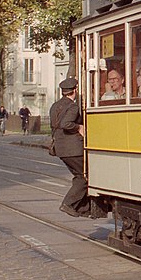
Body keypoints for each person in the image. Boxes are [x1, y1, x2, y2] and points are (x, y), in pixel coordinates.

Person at [49, 77, 90, 217]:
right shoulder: (73, 106)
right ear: (75, 91)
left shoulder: (55, 105)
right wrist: (78, 126)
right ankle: (69, 204)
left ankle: (83, 208)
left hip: (60, 148)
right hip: (73, 148)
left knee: (78, 176)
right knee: (84, 176)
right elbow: (66, 124)